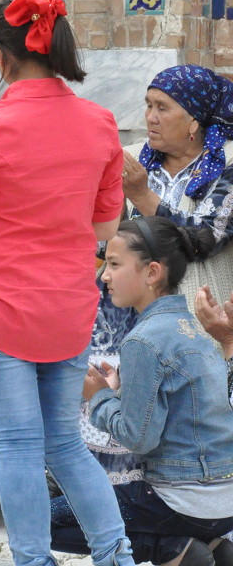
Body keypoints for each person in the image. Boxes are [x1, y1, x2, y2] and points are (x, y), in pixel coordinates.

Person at [0, 0, 145, 566]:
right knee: (63, 441)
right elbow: (106, 231)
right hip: (71, 303)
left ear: (0, 58)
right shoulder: (99, 122)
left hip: (1, 303)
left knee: (20, 447)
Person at [50, 217, 233, 566]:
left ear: (152, 272)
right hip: (223, 505)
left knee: (44, 518)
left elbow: (138, 438)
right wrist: (119, 391)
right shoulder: (190, 326)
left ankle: (174, 549)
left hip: (182, 499)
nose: (104, 276)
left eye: (115, 265)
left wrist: (98, 396)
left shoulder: (143, 341)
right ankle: (214, 547)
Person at [85, 65, 233, 484]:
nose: (150, 116)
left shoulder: (228, 164)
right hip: (124, 304)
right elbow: (103, 242)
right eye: (148, 105)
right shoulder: (135, 158)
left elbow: (204, 238)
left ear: (194, 121)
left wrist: (140, 195)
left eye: (162, 107)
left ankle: (181, 491)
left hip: (197, 304)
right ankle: (114, 486)